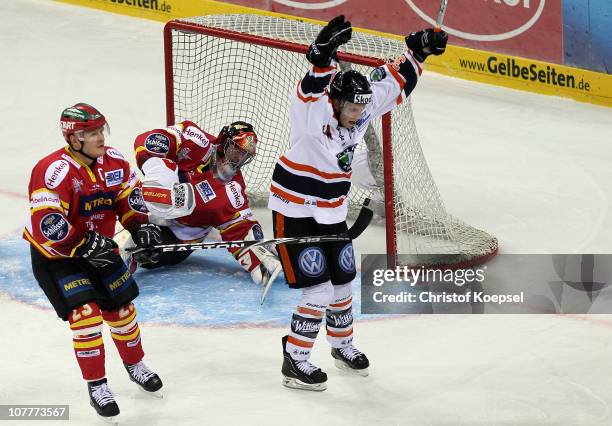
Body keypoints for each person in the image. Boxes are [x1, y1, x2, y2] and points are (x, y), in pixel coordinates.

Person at [269, 16, 448, 390]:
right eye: (350, 108)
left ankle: (342, 345)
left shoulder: (362, 104)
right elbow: (313, 78)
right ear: (335, 101)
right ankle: (296, 359)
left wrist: (420, 48)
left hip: (331, 209)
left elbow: (395, 80)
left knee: (343, 283)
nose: (357, 115)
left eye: (360, 109)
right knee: (317, 290)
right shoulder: (312, 110)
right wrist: (322, 56)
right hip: (294, 208)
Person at [23, 103, 164, 421]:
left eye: (101, 130)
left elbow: (128, 198)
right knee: (85, 316)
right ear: (74, 138)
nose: (100, 137)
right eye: (91, 133)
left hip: (99, 250)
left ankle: (135, 365)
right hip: (58, 257)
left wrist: (140, 227)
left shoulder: (114, 161)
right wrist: (82, 243)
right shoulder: (52, 170)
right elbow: (47, 223)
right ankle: (97, 386)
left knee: (123, 312)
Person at [130, 120, 281, 292]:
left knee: (144, 254)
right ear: (224, 141)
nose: (239, 158)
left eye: (245, 155)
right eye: (236, 149)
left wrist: (256, 258)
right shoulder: (195, 138)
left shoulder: (233, 189)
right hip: (149, 208)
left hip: (178, 237)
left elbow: (239, 229)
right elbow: (149, 140)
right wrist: (159, 171)